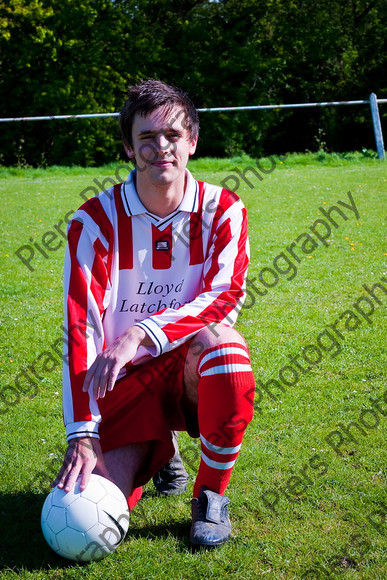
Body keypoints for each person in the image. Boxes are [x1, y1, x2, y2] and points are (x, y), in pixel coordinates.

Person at [54, 79, 255, 547]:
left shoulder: (223, 210)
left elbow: (225, 297)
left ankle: (210, 496)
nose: (160, 147)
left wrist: (141, 334)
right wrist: (81, 432)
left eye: (173, 135)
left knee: (224, 347)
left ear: (193, 142)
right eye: (146, 137)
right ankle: (158, 450)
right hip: (123, 386)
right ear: (129, 146)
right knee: (83, 510)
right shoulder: (93, 223)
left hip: (187, 369)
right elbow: (80, 326)